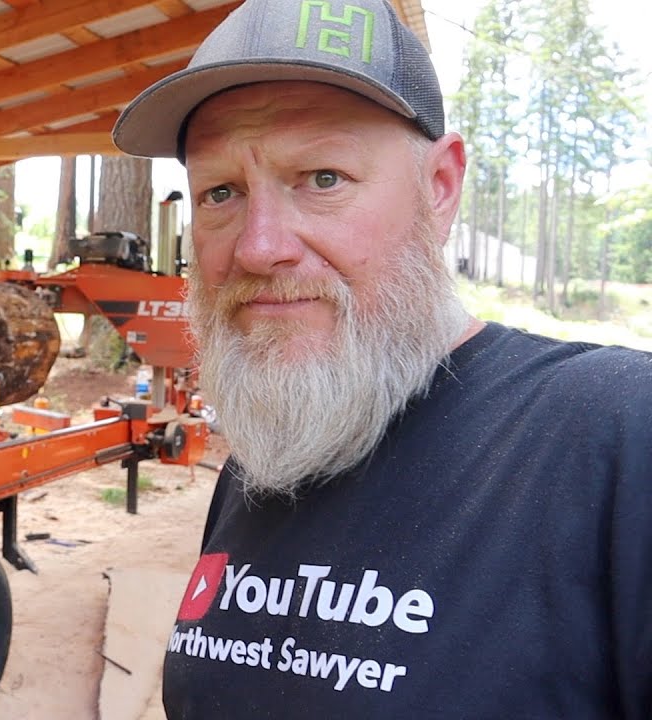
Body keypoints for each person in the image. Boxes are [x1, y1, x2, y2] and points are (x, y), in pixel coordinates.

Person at [111, 0, 652, 716]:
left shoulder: (620, 433)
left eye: (322, 177)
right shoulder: (266, 455)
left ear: (440, 188)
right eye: (221, 192)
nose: (258, 246)